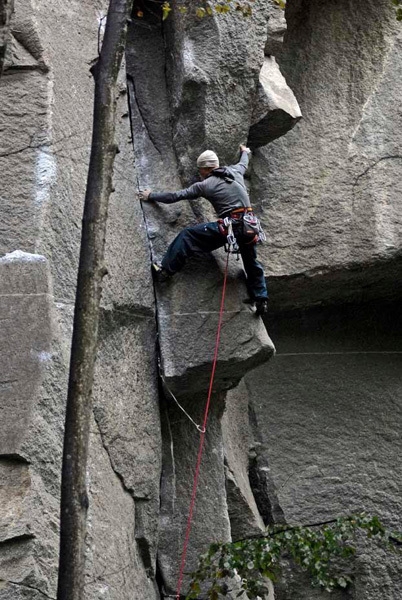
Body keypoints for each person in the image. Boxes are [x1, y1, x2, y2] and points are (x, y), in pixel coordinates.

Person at [139, 145, 268, 316]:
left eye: (200, 170)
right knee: (251, 262)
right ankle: (261, 298)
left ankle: (166, 271)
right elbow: (243, 162)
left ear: (207, 169)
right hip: (250, 227)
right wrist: (245, 151)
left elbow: (176, 196)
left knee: (188, 235)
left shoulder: (206, 184)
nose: (200, 173)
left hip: (231, 227)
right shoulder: (235, 171)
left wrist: (151, 196)